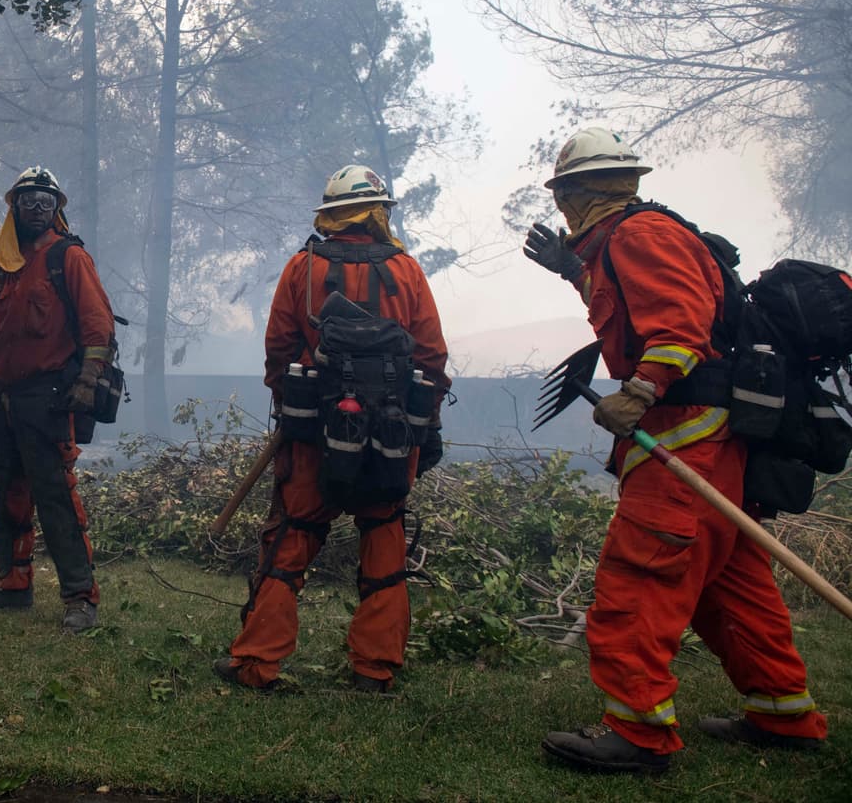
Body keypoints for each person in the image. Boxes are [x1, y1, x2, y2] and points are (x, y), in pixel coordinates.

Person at [524, 127, 827, 773]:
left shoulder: (639, 236)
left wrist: (638, 390)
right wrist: (574, 270)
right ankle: (784, 713)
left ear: (581, 192)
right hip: (710, 438)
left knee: (642, 572)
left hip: (686, 432)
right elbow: (625, 310)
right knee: (728, 584)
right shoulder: (626, 241)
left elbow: (677, 322)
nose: (565, 210)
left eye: (566, 195)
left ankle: (636, 734)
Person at [213, 164, 450, 692]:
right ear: (378, 213)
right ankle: (375, 669)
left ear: (332, 216)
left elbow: (277, 348)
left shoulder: (303, 266)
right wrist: (425, 427)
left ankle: (257, 664)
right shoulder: (407, 270)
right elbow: (432, 356)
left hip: (314, 438)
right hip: (389, 438)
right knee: (384, 540)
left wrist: (290, 403)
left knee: (292, 538)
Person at [0, 166, 115, 633]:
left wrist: (88, 379)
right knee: (8, 493)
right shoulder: (5, 267)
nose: (38, 207)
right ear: (14, 207)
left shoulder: (68, 258)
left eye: (46, 200)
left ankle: (80, 597)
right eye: (29, 199)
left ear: (57, 209)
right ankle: (13, 586)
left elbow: (98, 326)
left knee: (56, 497)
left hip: (48, 398)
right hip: (6, 399)